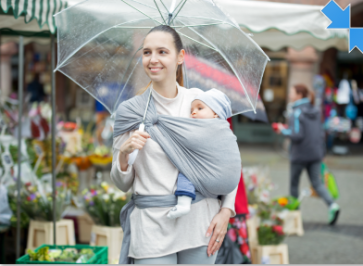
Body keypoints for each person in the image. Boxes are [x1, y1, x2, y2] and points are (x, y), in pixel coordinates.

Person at [111, 25, 237, 264]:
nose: (153, 59)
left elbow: (227, 160)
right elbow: (121, 183)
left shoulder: (200, 104)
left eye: (162, 52)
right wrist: (124, 156)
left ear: (180, 57)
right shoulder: (131, 112)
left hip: (201, 224)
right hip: (151, 226)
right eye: (147, 52)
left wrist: (226, 211)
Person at [276, 84, 340, 225]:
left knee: (294, 185)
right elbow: (320, 133)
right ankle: (333, 205)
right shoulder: (316, 110)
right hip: (316, 153)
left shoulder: (297, 112)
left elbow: (297, 135)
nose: (289, 95)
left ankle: (295, 217)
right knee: (317, 183)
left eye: (291, 92)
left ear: (299, 95)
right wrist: (321, 152)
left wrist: (282, 130)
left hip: (299, 154)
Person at [167, 89, 232, 219]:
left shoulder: (213, 129)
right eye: (191, 110)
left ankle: (183, 203)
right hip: (213, 174)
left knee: (186, 173)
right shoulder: (223, 130)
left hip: (207, 168)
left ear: (215, 113)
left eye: (200, 108)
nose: (194, 112)